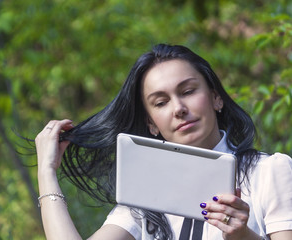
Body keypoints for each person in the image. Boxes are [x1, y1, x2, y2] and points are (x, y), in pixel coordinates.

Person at [35, 44, 292, 240]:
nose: (178, 108)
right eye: (161, 102)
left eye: (188, 91)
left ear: (216, 98)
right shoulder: (144, 198)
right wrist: (46, 172)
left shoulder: (269, 172)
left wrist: (243, 236)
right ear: (151, 123)